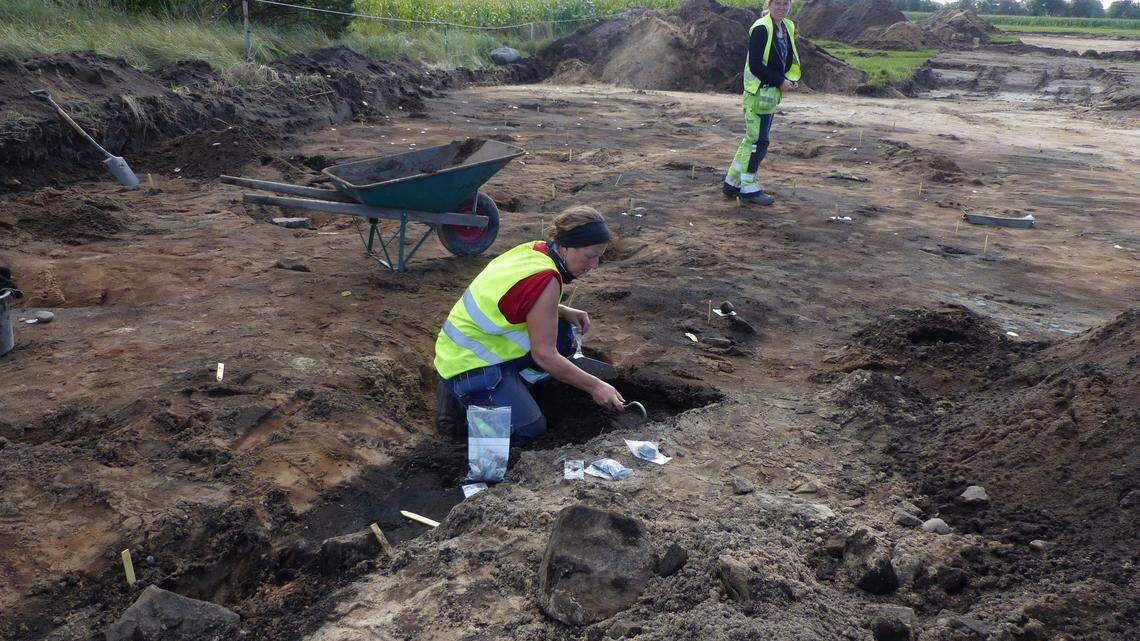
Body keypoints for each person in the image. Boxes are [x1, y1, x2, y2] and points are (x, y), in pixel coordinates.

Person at [433, 206, 626, 445]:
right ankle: (463, 414)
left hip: (459, 350)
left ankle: (508, 391)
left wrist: (562, 309)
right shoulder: (546, 279)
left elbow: (515, 298)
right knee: (529, 430)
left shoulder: (536, 250)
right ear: (567, 247)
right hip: (470, 365)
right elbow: (545, 356)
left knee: (563, 333)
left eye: (600, 256)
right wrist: (596, 386)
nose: (595, 265)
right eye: (590, 256)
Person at [723, 0, 802, 206]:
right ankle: (748, 187)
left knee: (751, 139)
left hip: (769, 94)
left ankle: (732, 182)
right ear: (769, 4)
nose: (782, 7)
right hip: (757, 93)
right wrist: (780, 81)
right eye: (778, 3)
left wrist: (789, 79)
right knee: (759, 141)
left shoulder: (787, 26)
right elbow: (756, 65)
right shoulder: (761, 28)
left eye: (786, 3)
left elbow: (786, 57)